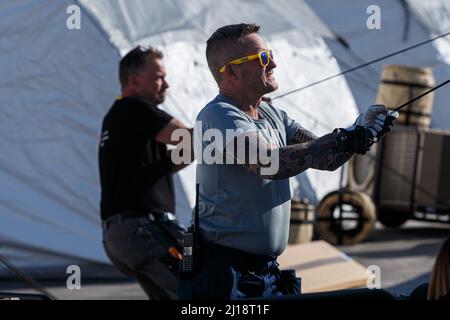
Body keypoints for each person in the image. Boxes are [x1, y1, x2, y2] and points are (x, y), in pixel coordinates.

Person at [177, 23, 397, 300]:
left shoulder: (272, 114)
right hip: (227, 274)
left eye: (270, 55)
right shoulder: (218, 115)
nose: (274, 63)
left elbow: (326, 159)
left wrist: (361, 133)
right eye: (263, 58)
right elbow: (270, 163)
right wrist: (345, 136)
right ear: (231, 71)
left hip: (263, 272)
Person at [99, 46, 193, 300]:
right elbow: (187, 137)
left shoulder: (117, 116)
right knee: (200, 287)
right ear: (134, 80)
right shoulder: (135, 108)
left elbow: (169, 162)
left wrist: (197, 144)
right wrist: (233, 118)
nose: (166, 85)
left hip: (122, 235)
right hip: (143, 230)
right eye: (158, 77)